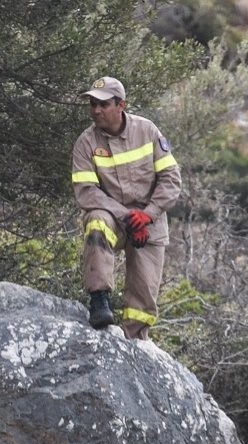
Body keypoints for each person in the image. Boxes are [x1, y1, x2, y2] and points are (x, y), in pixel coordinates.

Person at [71, 76, 182, 340]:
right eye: (92, 104)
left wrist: (148, 215)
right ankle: (99, 300)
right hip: (114, 219)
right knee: (96, 221)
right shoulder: (85, 143)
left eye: (102, 104)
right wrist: (126, 216)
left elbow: (171, 179)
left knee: (143, 304)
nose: (95, 110)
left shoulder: (147, 130)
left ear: (121, 105)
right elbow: (86, 192)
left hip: (150, 222)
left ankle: (133, 341)